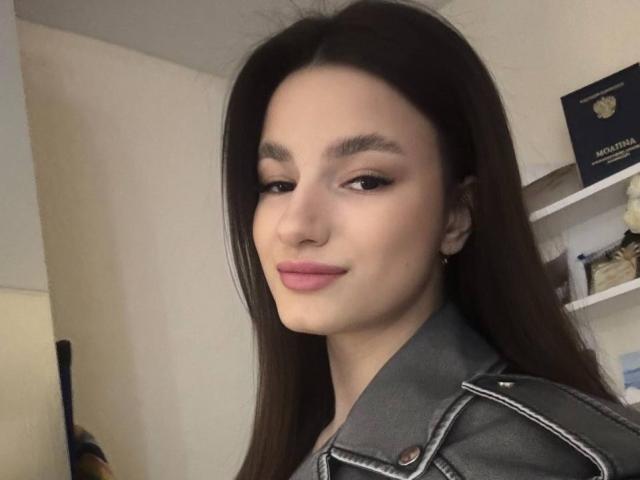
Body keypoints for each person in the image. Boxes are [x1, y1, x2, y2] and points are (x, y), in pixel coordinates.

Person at [220, 0, 640, 478]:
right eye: (278, 184)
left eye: (365, 180)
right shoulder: (303, 441)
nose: (295, 225)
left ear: (456, 216)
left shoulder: (523, 462)